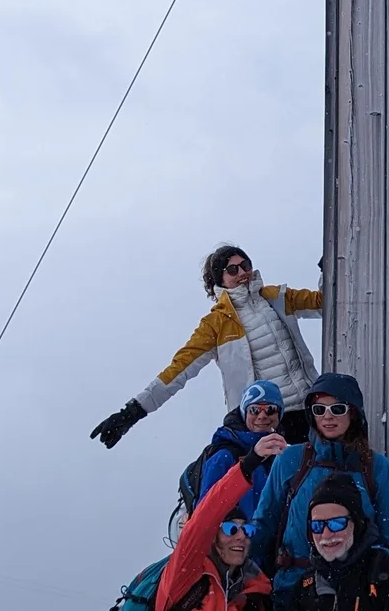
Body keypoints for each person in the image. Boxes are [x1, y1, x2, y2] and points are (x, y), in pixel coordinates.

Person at [91, 245, 322, 449]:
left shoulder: (278, 298)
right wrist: (131, 412)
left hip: (311, 410)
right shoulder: (216, 324)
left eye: (245, 265)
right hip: (266, 422)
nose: (242, 273)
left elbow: (327, 302)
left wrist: (331, 265)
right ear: (219, 280)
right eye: (232, 270)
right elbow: (178, 371)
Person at [250, 373, 389, 610]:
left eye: (337, 408)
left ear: (353, 412)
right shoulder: (291, 460)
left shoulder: (377, 468)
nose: (328, 416)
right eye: (319, 409)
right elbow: (264, 524)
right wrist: (246, 578)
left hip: (356, 593)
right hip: (291, 588)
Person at [155, 434, 283, 611]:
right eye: (231, 529)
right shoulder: (187, 572)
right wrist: (248, 465)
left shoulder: (257, 590)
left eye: (247, 530)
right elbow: (207, 515)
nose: (241, 536)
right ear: (213, 535)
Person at [291, 472, 389, 611]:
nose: (326, 534)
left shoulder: (386, 574)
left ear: (357, 523)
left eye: (337, 523)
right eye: (317, 525)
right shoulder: (306, 585)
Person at [193, 380, 287, 518]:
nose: (262, 416)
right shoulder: (224, 457)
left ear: (279, 414)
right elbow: (204, 514)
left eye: (270, 409)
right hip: (239, 537)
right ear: (244, 414)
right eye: (254, 410)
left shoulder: (284, 454)